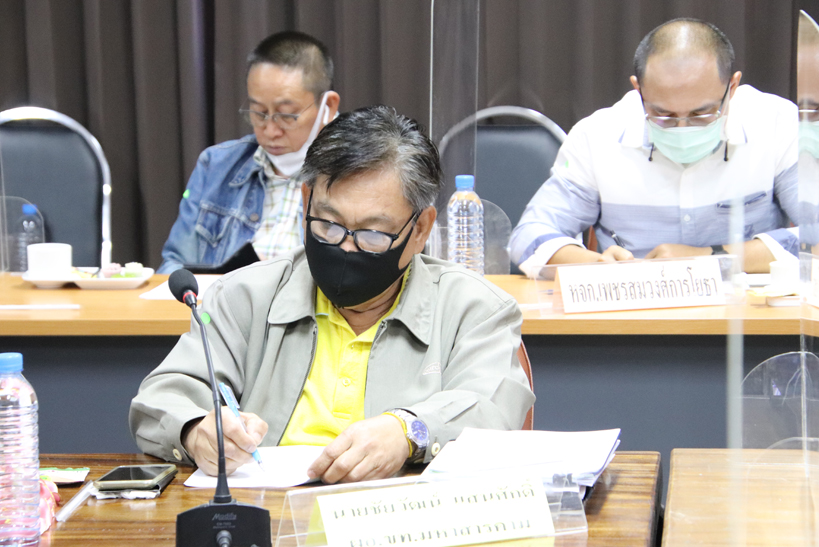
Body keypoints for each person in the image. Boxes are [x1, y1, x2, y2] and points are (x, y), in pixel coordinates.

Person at [130, 105, 534, 484]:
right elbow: (161, 399)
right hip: (268, 515)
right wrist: (195, 430)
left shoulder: (475, 309)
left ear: (421, 230)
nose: (346, 247)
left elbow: (493, 409)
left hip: (404, 518)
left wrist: (407, 431)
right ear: (306, 202)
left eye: (373, 234)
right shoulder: (244, 297)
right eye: (328, 225)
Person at [510, 18, 798, 277]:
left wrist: (714, 258)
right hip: (633, 308)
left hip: (749, 310)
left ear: (732, 88)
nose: (683, 129)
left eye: (702, 114)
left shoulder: (776, 124)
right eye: (663, 114)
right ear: (639, 90)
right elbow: (529, 235)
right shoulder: (596, 136)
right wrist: (595, 265)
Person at [157, 31, 340, 274]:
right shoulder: (216, 165)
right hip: (222, 298)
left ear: (328, 106)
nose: (270, 130)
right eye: (259, 113)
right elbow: (173, 265)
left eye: (286, 115)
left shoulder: (359, 170)